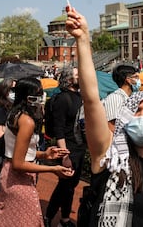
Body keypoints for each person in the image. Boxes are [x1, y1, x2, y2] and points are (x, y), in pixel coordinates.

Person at [65, 7, 143, 226]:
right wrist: (83, 39)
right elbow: (91, 99)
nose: (141, 116)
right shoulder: (108, 157)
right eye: (135, 111)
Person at [0, 77, 74, 227]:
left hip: (10, 174)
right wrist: (53, 169)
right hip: (18, 178)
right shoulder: (27, 121)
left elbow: (17, 152)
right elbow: (18, 163)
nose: (42, 97)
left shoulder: (15, 114)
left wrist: (44, 155)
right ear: (28, 97)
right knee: (27, 220)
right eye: (38, 93)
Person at [45, 67, 85, 227]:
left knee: (70, 186)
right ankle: (49, 217)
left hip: (79, 147)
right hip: (68, 148)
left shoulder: (80, 97)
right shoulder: (63, 99)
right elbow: (58, 129)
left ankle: (65, 219)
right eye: (77, 75)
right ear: (69, 80)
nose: (80, 77)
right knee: (65, 185)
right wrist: (65, 155)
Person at [102, 65, 139, 132]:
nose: (139, 80)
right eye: (136, 77)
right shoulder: (115, 98)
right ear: (128, 80)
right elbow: (112, 127)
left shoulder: (130, 98)